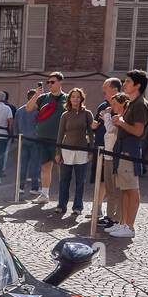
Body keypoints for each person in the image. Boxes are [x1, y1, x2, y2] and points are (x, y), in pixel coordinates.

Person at [107, 70, 148, 238]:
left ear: (137, 85)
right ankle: (123, 223)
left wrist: (121, 122)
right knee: (125, 189)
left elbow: (138, 131)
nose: (124, 84)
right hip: (123, 149)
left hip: (129, 150)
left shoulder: (140, 104)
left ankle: (130, 227)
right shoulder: (132, 102)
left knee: (132, 189)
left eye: (128, 82)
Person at [27, 72, 67, 203]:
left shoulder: (67, 98)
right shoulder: (43, 97)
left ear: (60, 82)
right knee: (45, 167)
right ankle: (44, 194)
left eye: (52, 82)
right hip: (43, 138)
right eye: (48, 82)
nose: (49, 84)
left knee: (63, 169)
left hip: (60, 140)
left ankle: (63, 198)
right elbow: (28, 108)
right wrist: (36, 95)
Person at [55, 88, 94, 216]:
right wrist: (58, 152)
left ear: (82, 98)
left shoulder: (87, 114)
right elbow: (60, 135)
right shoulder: (65, 115)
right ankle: (61, 205)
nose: (75, 99)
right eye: (73, 97)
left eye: (78, 97)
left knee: (80, 181)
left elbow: (90, 133)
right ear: (69, 99)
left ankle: (78, 207)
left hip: (82, 151)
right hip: (66, 151)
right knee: (64, 180)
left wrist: (91, 150)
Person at [91, 76, 122, 222]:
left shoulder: (121, 106)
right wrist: (94, 126)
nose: (103, 91)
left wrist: (107, 117)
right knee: (100, 178)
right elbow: (97, 123)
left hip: (112, 150)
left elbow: (113, 129)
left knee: (113, 183)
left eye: (106, 88)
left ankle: (113, 216)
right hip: (100, 147)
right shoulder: (102, 105)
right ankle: (97, 208)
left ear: (115, 90)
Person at [97, 93, 128, 230]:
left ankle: (116, 218)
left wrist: (106, 116)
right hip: (108, 156)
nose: (112, 106)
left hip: (117, 157)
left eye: (115, 104)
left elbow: (111, 130)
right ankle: (109, 216)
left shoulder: (122, 118)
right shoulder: (113, 117)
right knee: (109, 188)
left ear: (122, 104)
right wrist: (106, 117)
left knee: (117, 189)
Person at [13, 95, 39, 195]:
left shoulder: (19, 110)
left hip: (22, 139)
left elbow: (15, 125)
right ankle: (34, 187)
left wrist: (16, 138)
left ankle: (20, 187)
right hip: (35, 140)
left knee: (23, 165)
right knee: (35, 165)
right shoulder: (37, 111)